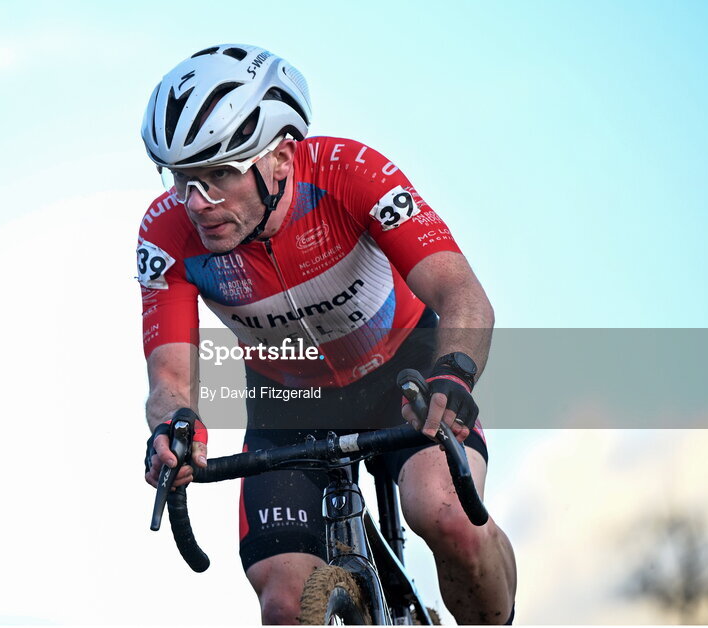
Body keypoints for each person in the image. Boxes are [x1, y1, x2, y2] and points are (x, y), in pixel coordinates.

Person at [137, 43, 517, 625]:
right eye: (182, 178)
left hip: (405, 371)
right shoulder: (165, 233)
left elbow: (462, 295)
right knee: (285, 604)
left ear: (282, 158)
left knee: (446, 517)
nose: (197, 203)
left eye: (219, 175)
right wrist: (175, 425)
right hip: (288, 400)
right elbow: (169, 378)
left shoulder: (350, 174)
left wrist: (456, 370)